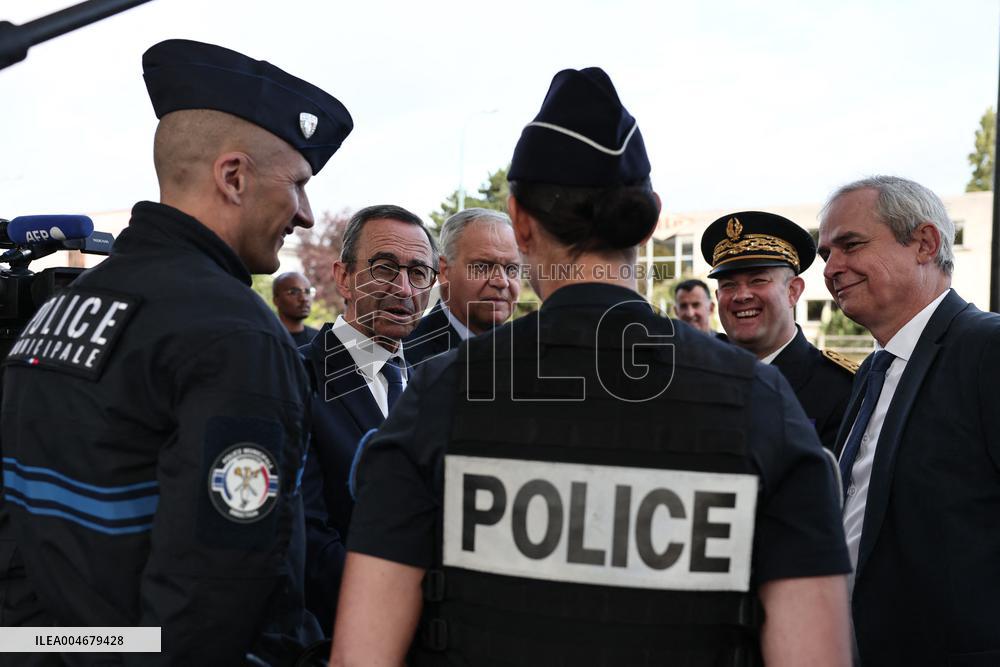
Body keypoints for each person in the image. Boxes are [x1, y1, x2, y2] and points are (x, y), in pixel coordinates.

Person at [331, 67, 852, 667]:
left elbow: (361, 654)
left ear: (520, 222)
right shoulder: (761, 401)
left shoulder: (440, 395)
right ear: (651, 218)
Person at [0, 38, 352, 664]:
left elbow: (18, 547)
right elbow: (215, 599)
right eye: (298, 184)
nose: (305, 213)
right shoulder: (236, 336)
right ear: (234, 177)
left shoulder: (56, 308)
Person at [818, 175, 1000, 666]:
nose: (832, 269)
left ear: (924, 243)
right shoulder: (872, 371)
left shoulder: (986, 349)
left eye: (850, 245)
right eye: (824, 256)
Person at [299, 204, 437, 633]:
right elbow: (307, 535)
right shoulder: (296, 376)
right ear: (344, 277)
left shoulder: (430, 386)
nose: (404, 288)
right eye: (384, 268)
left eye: (419, 273)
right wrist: (409, 602)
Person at [701, 211, 856, 453]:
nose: (741, 296)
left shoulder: (841, 388)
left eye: (758, 280)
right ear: (718, 297)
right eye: (729, 285)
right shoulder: (698, 377)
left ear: (793, 291)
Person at [405, 208, 521, 364]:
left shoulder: (530, 353)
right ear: (444, 271)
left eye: (511, 269)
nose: (502, 282)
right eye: (482, 267)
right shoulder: (405, 357)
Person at [273, 271, 320, 346]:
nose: (304, 298)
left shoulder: (319, 339)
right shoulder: (266, 339)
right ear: (276, 300)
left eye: (307, 292)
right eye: (293, 292)